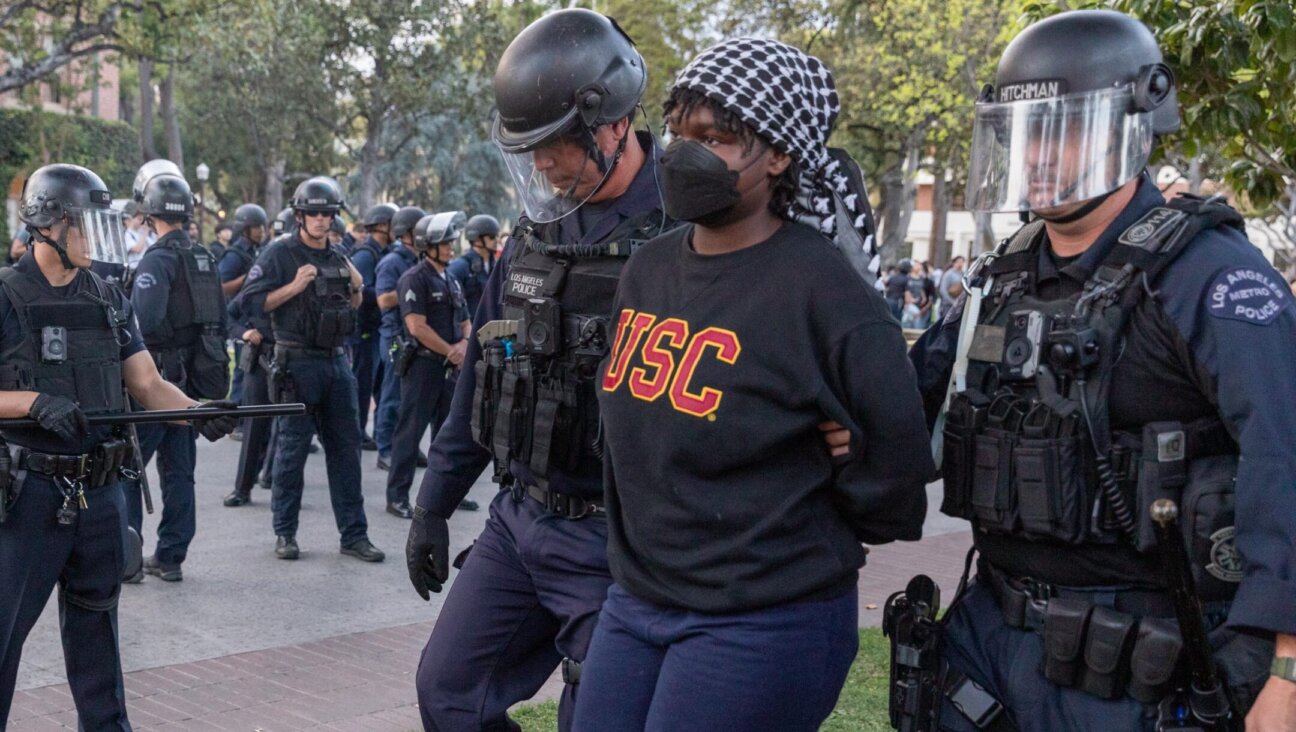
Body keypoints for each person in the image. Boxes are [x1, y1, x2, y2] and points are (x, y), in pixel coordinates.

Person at [897, 10, 1296, 731]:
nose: (1038, 157)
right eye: (1023, 134)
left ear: (1132, 124)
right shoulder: (1004, 273)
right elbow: (905, 405)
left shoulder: (1208, 275)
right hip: (989, 637)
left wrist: (1289, 672)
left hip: (1138, 657)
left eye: (1064, 129)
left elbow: (1286, 452)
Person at [571, 37, 931, 732]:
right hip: (636, 599)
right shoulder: (646, 269)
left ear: (780, 154)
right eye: (680, 130)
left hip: (763, 617)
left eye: (719, 136)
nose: (686, 151)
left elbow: (896, 479)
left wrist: (848, 464)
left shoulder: (825, 291)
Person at [404, 10, 675, 731]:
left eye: (552, 147)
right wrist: (433, 505)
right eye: (529, 152)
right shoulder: (535, 233)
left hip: (620, 545)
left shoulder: (687, 234)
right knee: (447, 692)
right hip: (519, 518)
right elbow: (481, 374)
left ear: (612, 123)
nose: (543, 168)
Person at [0, 163, 236, 729]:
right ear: (47, 224)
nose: (99, 237)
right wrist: (30, 403)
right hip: (28, 494)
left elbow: (148, 383)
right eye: (85, 224)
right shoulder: (6, 295)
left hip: (99, 493)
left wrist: (196, 413)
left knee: (97, 632)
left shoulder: (108, 295)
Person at [239, 176, 384, 563]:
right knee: (291, 452)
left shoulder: (338, 255)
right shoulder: (279, 254)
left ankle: (354, 535)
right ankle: (285, 533)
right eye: (314, 213)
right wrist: (294, 286)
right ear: (300, 216)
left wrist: (356, 288)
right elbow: (251, 304)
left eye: (328, 214)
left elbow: (352, 305)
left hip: (337, 362)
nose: (322, 220)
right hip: (296, 362)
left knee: (346, 452)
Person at [127, 161, 233, 582]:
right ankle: (170, 557)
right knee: (179, 471)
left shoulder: (157, 260)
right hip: (194, 376)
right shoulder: (205, 256)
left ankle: (128, 558)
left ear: (150, 214)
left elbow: (144, 322)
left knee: (129, 468)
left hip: (157, 379)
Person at [385, 212, 471, 519]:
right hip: (423, 367)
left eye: (451, 241)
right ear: (427, 245)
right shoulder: (414, 278)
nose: (450, 248)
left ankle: (445, 495)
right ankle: (397, 496)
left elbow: (465, 320)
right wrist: (452, 350)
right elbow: (416, 327)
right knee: (410, 434)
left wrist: (463, 345)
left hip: (450, 367)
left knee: (447, 437)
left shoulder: (450, 278)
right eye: (444, 243)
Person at [372, 206, 425, 471]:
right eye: (419, 230)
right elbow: (383, 300)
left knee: (410, 399)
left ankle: (407, 448)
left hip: (413, 337)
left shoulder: (420, 259)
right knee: (392, 396)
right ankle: (385, 450)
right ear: (406, 233)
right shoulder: (392, 262)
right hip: (395, 337)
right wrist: (412, 285)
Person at [350, 203, 399, 451]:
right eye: (393, 224)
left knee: (378, 386)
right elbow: (358, 289)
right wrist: (386, 292)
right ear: (382, 225)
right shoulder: (366, 254)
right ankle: (357, 432)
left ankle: (378, 434)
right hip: (363, 330)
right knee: (362, 383)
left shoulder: (382, 251)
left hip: (375, 329)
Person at [220, 203, 269, 408]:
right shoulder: (234, 255)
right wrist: (246, 279)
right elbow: (221, 286)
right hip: (240, 319)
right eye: (257, 227)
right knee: (242, 370)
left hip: (255, 318)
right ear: (245, 228)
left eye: (263, 227)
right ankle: (237, 418)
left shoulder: (259, 252)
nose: (262, 231)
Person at [446, 214, 501, 317]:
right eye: (492, 237)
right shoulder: (460, 267)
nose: (497, 240)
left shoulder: (497, 266)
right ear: (477, 240)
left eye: (497, 236)